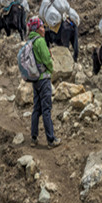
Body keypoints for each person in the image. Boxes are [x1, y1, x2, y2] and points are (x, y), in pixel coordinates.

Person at [27, 17, 62, 149]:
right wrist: (51, 69)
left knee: (37, 108)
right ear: (37, 29)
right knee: (46, 109)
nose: (44, 29)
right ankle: (51, 140)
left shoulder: (30, 40)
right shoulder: (40, 41)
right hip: (43, 78)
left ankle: (34, 138)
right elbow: (46, 60)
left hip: (35, 79)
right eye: (41, 27)